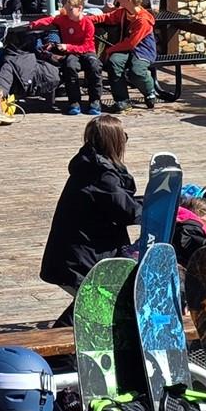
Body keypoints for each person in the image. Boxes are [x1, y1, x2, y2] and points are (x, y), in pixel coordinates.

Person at [39, 115, 140, 317]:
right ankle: (62, 341)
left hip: (72, 254)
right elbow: (127, 211)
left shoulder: (89, 165)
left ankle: (67, 337)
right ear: (114, 141)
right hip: (79, 261)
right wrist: (155, 208)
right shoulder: (101, 174)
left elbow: (120, 201)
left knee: (97, 304)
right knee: (101, 306)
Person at [29, 0, 101, 115]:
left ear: (80, 8)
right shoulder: (64, 19)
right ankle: (74, 102)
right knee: (70, 66)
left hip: (86, 51)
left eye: (70, 9)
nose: (67, 12)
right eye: (66, 9)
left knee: (94, 67)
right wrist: (34, 24)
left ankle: (95, 101)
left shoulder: (87, 23)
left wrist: (68, 46)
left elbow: (87, 45)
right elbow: (50, 20)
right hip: (71, 53)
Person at [93, 0, 159, 112]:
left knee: (137, 71)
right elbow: (107, 17)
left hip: (142, 49)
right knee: (114, 63)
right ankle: (122, 100)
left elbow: (131, 43)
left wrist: (110, 50)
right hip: (125, 48)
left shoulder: (143, 20)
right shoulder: (123, 12)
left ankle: (149, 90)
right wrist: (86, 19)